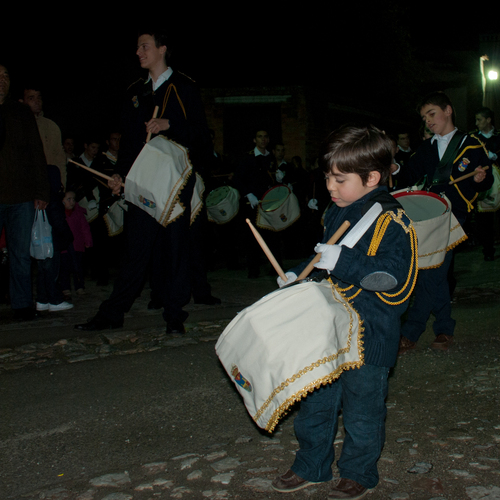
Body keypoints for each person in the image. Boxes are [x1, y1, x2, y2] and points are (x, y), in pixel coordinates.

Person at [271, 125, 418, 499]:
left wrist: (345, 261)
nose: (330, 187)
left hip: (370, 335)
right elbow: (323, 257)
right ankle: (311, 464)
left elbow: (395, 282)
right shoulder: (337, 211)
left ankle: (358, 471)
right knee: (315, 403)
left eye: (339, 179)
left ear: (372, 177)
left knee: (363, 412)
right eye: (327, 178)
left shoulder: (392, 219)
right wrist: (298, 276)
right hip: (329, 331)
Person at [75, 27, 212, 334]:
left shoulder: (185, 87)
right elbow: (128, 145)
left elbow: (202, 137)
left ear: (162, 48)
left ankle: (175, 315)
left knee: (176, 249)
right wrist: (119, 175)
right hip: (143, 183)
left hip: (174, 184)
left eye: (144, 46)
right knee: (135, 248)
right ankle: (112, 313)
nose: (138, 52)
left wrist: (170, 124)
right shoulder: (135, 92)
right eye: (138, 48)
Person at [397, 92, 493, 354]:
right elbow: (407, 175)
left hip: (454, 215)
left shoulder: (471, 144)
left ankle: (411, 332)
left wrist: (480, 179)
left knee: (433, 272)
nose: (428, 121)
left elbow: (487, 181)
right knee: (434, 273)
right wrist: (393, 167)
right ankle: (444, 328)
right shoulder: (426, 149)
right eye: (424, 117)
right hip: (428, 216)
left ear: (448, 111)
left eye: (432, 114)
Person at [0, 64, 49, 320]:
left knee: (20, 254)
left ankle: (21, 305)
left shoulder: (20, 112)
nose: (2, 80)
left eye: (6, 76)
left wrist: (41, 190)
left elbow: (36, 152)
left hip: (21, 197)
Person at [233, 129, 276, 278]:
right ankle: (253, 270)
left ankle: (274, 268)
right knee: (252, 237)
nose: (263, 140)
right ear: (254, 140)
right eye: (259, 137)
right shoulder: (247, 158)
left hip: (268, 202)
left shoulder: (271, 157)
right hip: (252, 203)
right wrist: (248, 193)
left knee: (271, 235)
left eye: (265, 137)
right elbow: (237, 179)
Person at [35, 165, 74, 312]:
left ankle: (42, 299)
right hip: (52, 242)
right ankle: (54, 300)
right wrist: (68, 235)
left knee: (42, 272)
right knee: (52, 272)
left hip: (41, 242)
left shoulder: (39, 197)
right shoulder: (53, 197)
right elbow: (58, 221)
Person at [20, 86, 67, 189]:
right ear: (21, 101)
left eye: (39, 98)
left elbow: (60, 158)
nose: (36, 101)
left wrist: (62, 183)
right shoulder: (16, 125)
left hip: (49, 182)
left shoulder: (51, 126)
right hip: (24, 186)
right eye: (31, 98)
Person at [472, 107, 500, 261]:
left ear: (488, 120)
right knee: (485, 219)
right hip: (484, 182)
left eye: (480, 120)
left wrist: (494, 156)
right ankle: (488, 250)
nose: (477, 123)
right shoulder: (474, 138)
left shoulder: (498, 137)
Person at [59, 190, 93, 297]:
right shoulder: (59, 214)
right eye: (68, 199)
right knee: (64, 268)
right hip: (64, 247)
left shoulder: (78, 213)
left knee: (78, 267)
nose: (71, 202)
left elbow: (85, 228)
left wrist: (88, 241)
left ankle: (79, 287)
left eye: (73, 199)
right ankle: (65, 288)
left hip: (77, 245)